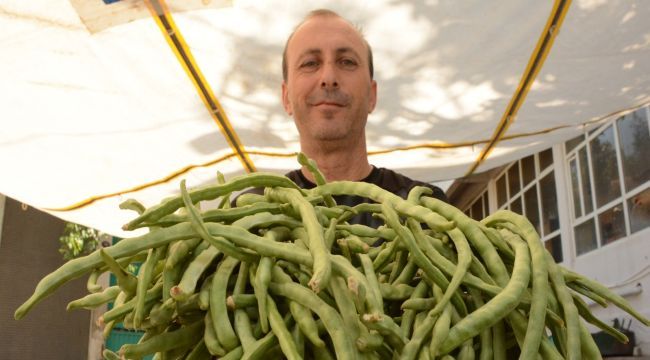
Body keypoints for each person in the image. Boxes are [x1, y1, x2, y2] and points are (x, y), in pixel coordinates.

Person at [247, 9, 447, 227]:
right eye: (310, 63)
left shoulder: (425, 209)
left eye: (347, 62)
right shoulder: (251, 213)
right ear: (286, 98)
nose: (329, 78)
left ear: (372, 95)